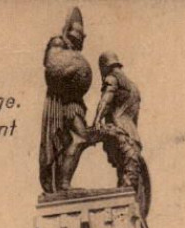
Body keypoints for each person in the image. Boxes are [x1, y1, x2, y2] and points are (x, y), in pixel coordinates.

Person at [39, 7, 93, 193]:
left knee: (76, 139)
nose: (79, 36)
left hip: (75, 101)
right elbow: (53, 68)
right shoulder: (58, 43)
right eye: (76, 32)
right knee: (80, 137)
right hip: (64, 101)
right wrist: (71, 70)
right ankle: (64, 184)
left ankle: (63, 184)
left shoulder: (72, 50)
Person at [91, 51, 151, 217]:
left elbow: (106, 101)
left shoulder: (112, 79)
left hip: (118, 132)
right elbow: (135, 118)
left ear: (104, 67)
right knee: (130, 182)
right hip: (133, 136)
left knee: (125, 184)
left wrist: (97, 120)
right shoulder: (134, 88)